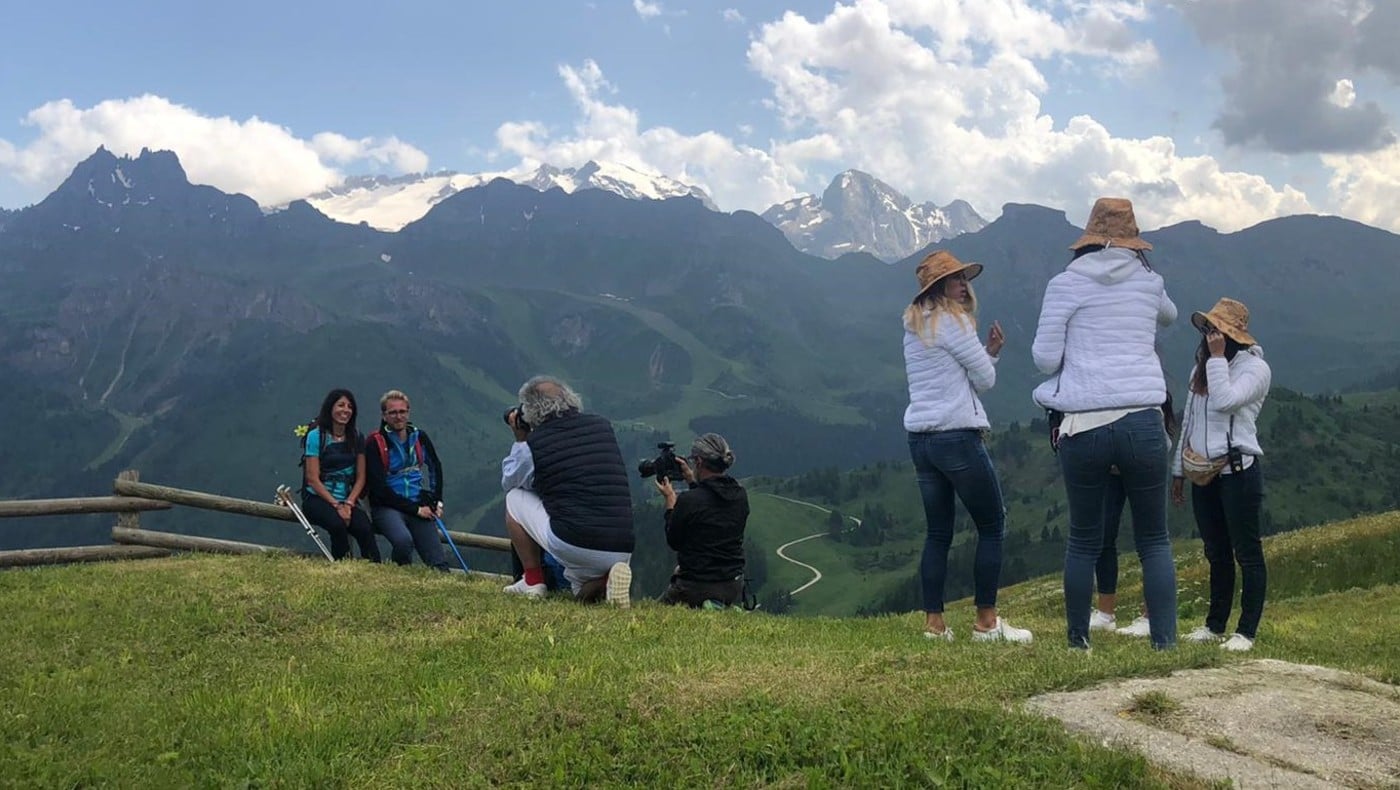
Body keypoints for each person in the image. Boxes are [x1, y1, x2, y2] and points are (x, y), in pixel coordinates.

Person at [1032, 197, 1178, 650]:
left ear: (1088, 240)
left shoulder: (1064, 284)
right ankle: (1164, 643)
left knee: (1083, 539)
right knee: (1154, 539)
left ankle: (1078, 643)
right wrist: (1143, 274)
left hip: (1085, 424)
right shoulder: (1149, 283)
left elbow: (1044, 360)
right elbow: (1170, 316)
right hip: (1143, 421)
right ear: (1135, 242)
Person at [903, 250, 1032, 643]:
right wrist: (991, 354)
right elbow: (985, 381)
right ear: (941, 287)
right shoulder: (954, 323)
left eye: (964, 279)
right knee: (992, 525)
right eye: (957, 280)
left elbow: (959, 379)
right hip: (957, 435)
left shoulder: (915, 327)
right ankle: (986, 622)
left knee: (938, 532)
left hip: (921, 439)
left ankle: (934, 624)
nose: (965, 285)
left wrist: (988, 353)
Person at [1172, 298, 1272, 652]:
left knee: (1247, 551)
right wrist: (1178, 469)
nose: (1210, 336)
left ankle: (1245, 631)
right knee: (1216, 552)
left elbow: (1226, 401)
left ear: (1232, 336)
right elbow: (1191, 419)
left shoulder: (1255, 369)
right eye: (1208, 330)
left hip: (1238, 472)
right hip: (1204, 473)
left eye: (1217, 331)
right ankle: (1214, 626)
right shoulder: (1202, 368)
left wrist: (1215, 360)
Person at [499, 375, 634, 605]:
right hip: (622, 546)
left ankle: (533, 581)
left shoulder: (534, 444)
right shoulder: (602, 426)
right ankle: (604, 579)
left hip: (575, 541)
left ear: (532, 410)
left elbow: (510, 480)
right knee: (577, 591)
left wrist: (521, 439)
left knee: (514, 498)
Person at [653, 433, 749, 608]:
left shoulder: (690, 500)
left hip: (696, 586)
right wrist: (692, 481)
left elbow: (673, 541)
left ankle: (709, 605)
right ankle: (722, 607)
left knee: (654, 614)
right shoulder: (740, 495)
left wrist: (670, 502)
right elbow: (710, 504)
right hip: (733, 585)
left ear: (698, 461)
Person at [364, 390, 449, 571]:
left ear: (408, 413)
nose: (398, 416)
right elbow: (379, 489)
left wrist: (436, 501)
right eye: (393, 412)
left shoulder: (419, 437)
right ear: (384, 416)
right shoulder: (375, 443)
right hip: (387, 507)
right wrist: (417, 510)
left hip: (417, 502)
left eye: (402, 412)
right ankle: (401, 575)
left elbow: (435, 467)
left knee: (438, 562)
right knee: (403, 542)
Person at [300, 388, 379, 561]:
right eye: (341, 405)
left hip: (346, 498)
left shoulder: (356, 437)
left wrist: (349, 503)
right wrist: (336, 505)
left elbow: (361, 476)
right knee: (337, 525)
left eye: (349, 406)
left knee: (365, 528)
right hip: (317, 499)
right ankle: (343, 568)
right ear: (330, 408)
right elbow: (312, 478)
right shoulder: (316, 436)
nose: (346, 410)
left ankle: (375, 570)